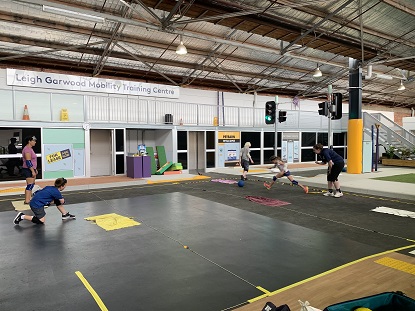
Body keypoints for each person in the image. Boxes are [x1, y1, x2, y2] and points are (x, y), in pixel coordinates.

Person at [21, 136, 38, 204]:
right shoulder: (27, 149)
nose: (35, 142)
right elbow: (28, 161)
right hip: (28, 169)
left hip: (31, 168)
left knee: (32, 184)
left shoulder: (30, 149)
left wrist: (35, 169)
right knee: (30, 185)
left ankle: (29, 198)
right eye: (34, 141)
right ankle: (27, 200)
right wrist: (32, 170)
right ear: (29, 141)